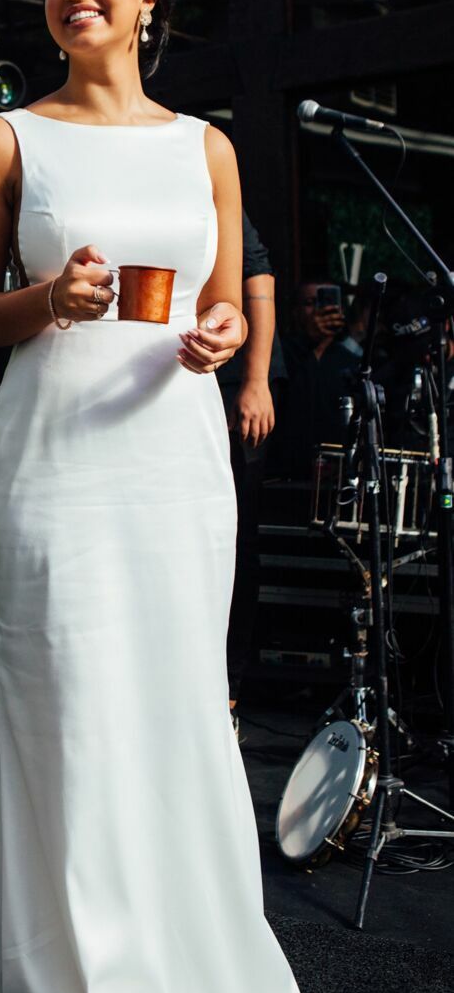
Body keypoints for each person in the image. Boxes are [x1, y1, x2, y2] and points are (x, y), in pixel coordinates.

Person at [0, 0, 314, 993]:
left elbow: (223, 301)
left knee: (175, 704)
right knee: (67, 711)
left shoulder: (208, 148)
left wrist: (224, 338)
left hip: (175, 468)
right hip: (52, 468)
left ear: (144, 1)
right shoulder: (5, 137)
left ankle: (184, 981)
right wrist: (43, 298)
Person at [217, 212, 285, 721]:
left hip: (233, 377)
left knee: (236, 532)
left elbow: (257, 273)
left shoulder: (198, 152)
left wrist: (256, 380)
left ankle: (228, 689)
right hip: (176, 370)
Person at [271, 281, 358, 481]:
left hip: (336, 476)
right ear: (295, 311)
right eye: (310, 302)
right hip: (286, 474)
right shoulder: (280, 353)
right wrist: (311, 341)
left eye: (326, 302)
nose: (320, 310)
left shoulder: (351, 362)